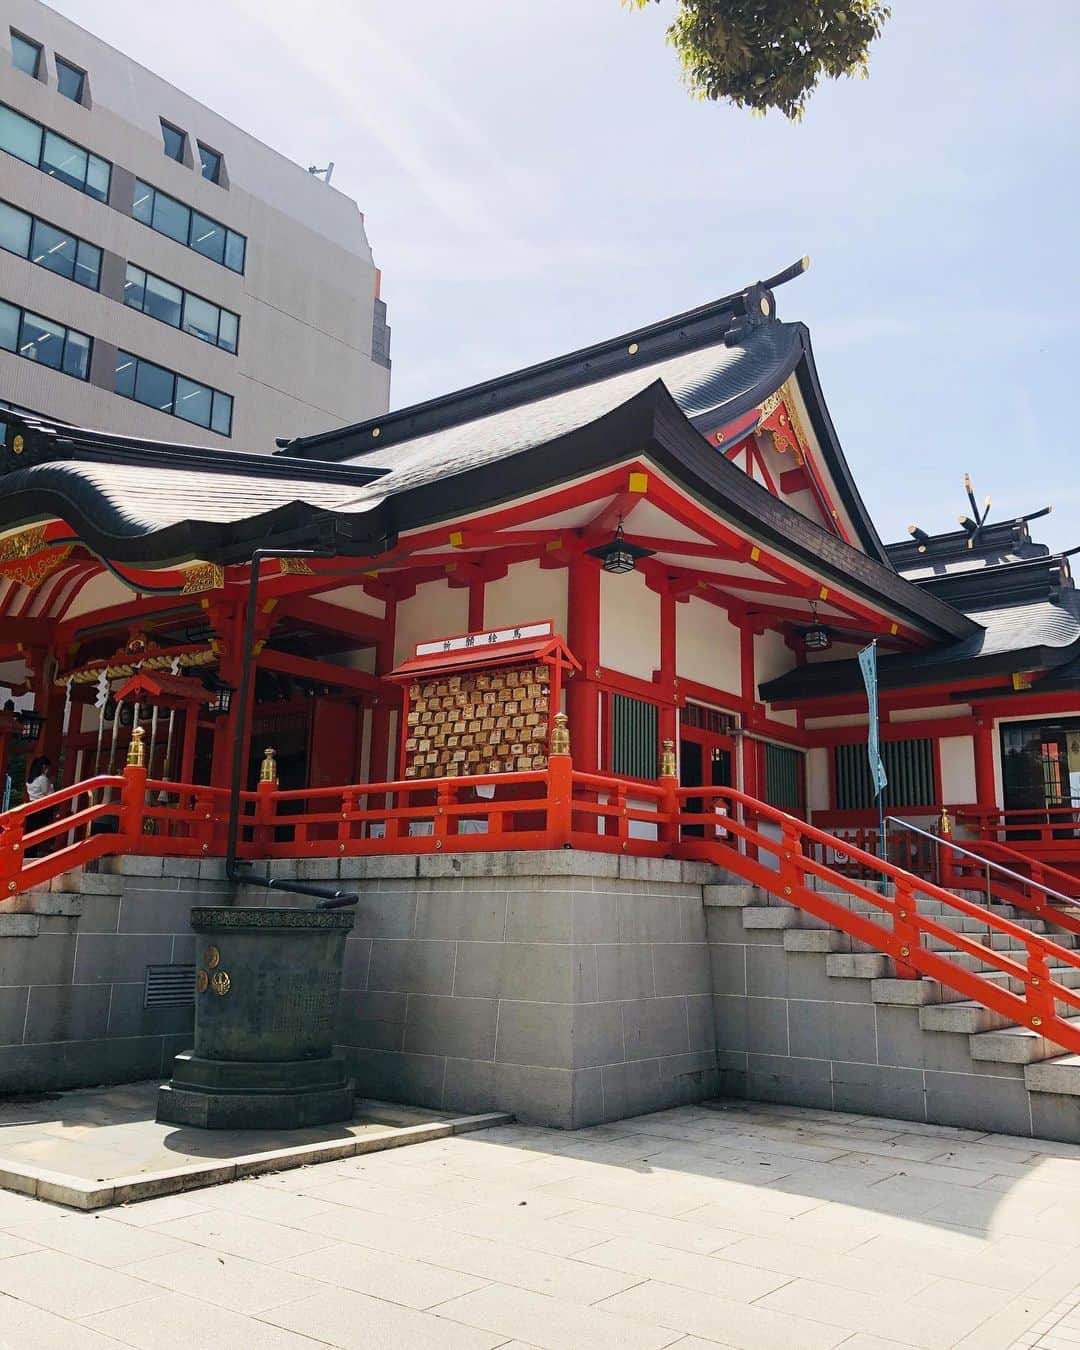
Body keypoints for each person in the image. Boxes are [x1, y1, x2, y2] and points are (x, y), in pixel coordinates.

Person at [25, 755, 55, 855]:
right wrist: (51, 784)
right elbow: (48, 794)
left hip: (31, 807)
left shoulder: (31, 779)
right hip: (41, 809)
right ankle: (37, 852)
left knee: (30, 833)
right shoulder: (43, 779)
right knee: (38, 833)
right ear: (43, 767)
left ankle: (28, 853)